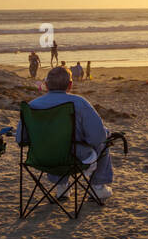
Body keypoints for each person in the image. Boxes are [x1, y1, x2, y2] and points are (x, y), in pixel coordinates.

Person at [15, 65, 115, 200]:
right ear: (70, 85)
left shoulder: (31, 106)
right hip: (74, 158)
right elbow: (97, 138)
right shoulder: (79, 103)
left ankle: (62, 187)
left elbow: (21, 139)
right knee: (104, 139)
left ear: (46, 85)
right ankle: (98, 187)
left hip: (42, 158)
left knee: (55, 145)